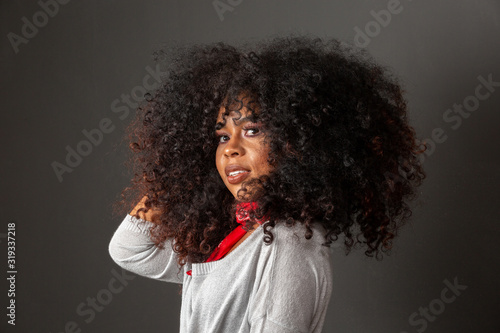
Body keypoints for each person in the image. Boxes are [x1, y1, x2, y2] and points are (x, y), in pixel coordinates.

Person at [108, 34, 426, 332]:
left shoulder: (288, 244)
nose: (230, 148)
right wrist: (176, 174)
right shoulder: (232, 236)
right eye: (221, 136)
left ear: (297, 142)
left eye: (252, 130)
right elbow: (131, 250)